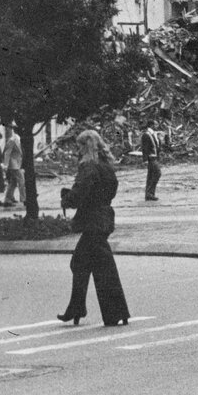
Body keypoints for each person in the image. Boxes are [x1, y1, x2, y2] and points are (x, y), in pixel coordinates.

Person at [56, 129, 131, 327]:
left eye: (80, 146)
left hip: (92, 221)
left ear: (86, 146)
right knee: (92, 263)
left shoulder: (88, 166)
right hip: (104, 218)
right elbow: (109, 190)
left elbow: (80, 192)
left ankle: (85, 308)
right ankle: (102, 310)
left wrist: (67, 198)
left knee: (86, 263)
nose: (77, 150)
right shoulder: (107, 166)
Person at [1, 129, 24, 209]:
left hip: (17, 163)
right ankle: (24, 199)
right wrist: (5, 165)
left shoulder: (19, 139)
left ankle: (7, 200)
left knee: (13, 182)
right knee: (21, 180)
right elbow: (7, 153)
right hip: (13, 164)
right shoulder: (12, 140)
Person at [139, 120, 162, 201]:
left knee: (151, 176)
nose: (157, 126)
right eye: (156, 124)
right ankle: (149, 193)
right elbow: (144, 148)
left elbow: (156, 146)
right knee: (157, 173)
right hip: (150, 158)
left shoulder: (154, 134)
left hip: (154, 157)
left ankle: (149, 194)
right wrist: (145, 160)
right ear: (151, 125)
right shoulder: (146, 135)